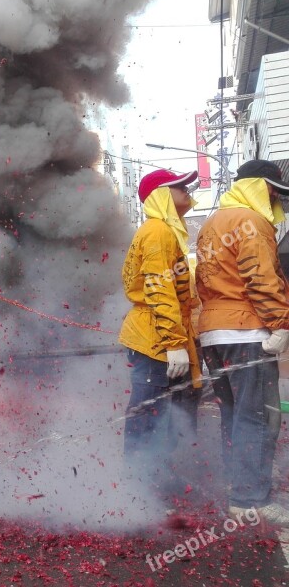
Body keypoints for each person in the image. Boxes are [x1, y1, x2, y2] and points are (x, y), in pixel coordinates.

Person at [196, 159, 289, 525]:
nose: (276, 200)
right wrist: (280, 323)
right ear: (260, 187)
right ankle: (250, 497)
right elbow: (260, 277)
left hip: (214, 334)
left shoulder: (212, 224)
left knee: (234, 415)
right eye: (273, 191)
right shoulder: (251, 222)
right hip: (246, 332)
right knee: (259, 417)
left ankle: (239, 491)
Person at [119, 168, 202, 489]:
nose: (187, 188)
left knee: (159, 416)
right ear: (162, 195)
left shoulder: (161, 230)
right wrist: (174, 343)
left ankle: (156, 486)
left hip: (154, 337)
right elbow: (158, 289)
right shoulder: (157, 232)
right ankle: (139, 493)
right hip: (154, 340)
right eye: (179, 185)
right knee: (148, 417)